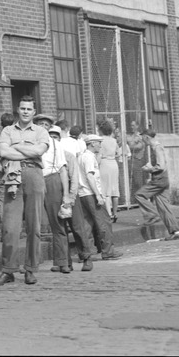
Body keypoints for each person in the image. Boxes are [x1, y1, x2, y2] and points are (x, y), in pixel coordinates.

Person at [0, 95, 48, 286]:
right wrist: (27, 149)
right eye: (22, 108)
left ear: (34, 112)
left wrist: (16, 147)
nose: (25, 112)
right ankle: (8, 270)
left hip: (34, 175)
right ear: (18, 110)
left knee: (34, 226)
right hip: (12, 176)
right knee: (10, 227)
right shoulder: (7, 130)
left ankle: (31, 269)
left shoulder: (41, 131)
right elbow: (4, 152)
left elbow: (39, 152)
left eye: (29, 109)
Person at [73, 134, 123, 267]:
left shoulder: (81, 157)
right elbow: (90, 177)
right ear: (92, 143)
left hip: (82, 194)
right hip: (91, 193)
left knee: (87, 223)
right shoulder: (89, 157)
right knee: (104, 221)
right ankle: (108, 251)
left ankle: (87, 252)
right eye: (98, 143)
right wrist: (98, 195)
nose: (100, 145)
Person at [34, 114, 75, 274]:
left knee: (57, 223)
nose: (43, 126)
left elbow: (63, 169)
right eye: (40, 123)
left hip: (52, 180)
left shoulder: (55, 144)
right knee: (33, 224)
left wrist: (66, 194)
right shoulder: (29, 142)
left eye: (46, 124)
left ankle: (62, 261)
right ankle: (32, 263)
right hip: (34, 179)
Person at [135, 127, 179, 241]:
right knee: (163, 207)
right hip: (162, 179)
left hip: (159, 179)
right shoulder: (156, 147)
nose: (142, 140)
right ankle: (175, 231)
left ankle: (152, 215)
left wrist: (150, 169)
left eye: (143, 138)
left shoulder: (156, 148)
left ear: (147, 137)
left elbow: (161, 166)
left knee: (139, 195)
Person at [98, 120, 120, 221]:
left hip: (104, 163)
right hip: (113, 164)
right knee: (114, 189)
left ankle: (109, 214)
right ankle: (115, 213)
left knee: (105, 189)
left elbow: (100, 154)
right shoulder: (114, 140)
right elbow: (118, 154)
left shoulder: (101, 140)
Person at [125, 120, 147, 196]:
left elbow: (139, 147)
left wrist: (129, 146)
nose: (132, 127)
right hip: (131, 160)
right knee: (132, 181)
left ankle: (142, 197)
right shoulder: (130, 136)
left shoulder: (140, 136)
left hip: (138, 160)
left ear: (137, 126)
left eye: (133, 125)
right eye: (131, 125)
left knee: (138, 181)